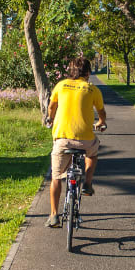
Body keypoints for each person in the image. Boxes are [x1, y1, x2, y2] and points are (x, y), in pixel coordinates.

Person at [45, 57, 107, 228]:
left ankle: (53, 215)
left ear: (70, 71)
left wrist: (50, 118)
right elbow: (101, 112)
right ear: (88, 72)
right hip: (85, 140)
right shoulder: (92, 89)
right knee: (92, 153)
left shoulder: (61, 85)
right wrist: (101, 123)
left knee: (56, 177)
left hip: (62, 140)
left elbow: (51, 107)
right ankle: (87, 183)